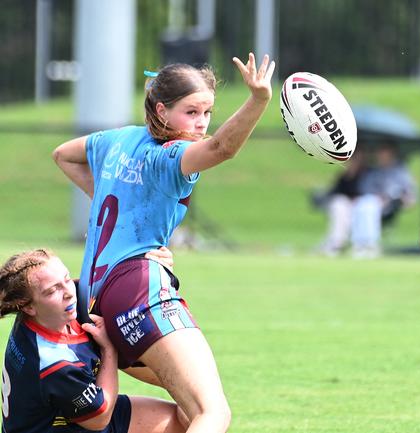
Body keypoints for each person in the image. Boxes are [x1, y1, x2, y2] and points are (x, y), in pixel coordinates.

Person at [52, 53, 275, 433]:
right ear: (161, 110)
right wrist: (258, 100)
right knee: (212, 412)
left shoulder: (117, 139)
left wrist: (118, 211)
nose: (202, 123)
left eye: (207, 112)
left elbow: (63, 155)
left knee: (188, 413)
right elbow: (222, 149)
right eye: (191, 112)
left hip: (96, 301)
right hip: (137, 290)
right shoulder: (169, 155)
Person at [0, 248, 187, 433]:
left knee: (186, 416)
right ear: (28, 307)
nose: (68, 292)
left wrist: (153, 268)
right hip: (80, 422)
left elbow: (121, 289)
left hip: (70, 416)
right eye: (52, 291)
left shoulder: (51, 312)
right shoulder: (54, 363)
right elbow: (99, 419)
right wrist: (109, 350)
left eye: (66, 279)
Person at [319, 143, 417, 258]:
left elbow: (410, 196)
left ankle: (369, 245)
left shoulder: (400, 172)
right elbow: (363, 189)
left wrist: (394, 199)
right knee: (347, 204)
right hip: (365, 202)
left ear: (392, 154)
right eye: (380, 153)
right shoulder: (373, 172)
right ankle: (341, 244)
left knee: (369, 204)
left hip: (388, 206)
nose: (381, 156)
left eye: (384, 153)